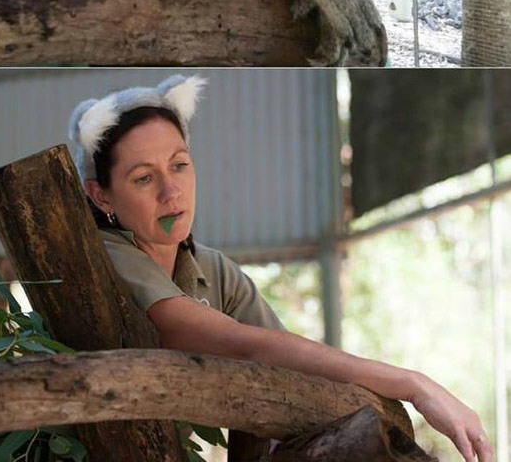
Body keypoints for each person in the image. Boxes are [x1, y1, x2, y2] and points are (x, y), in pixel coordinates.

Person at [69, 75, 492, 462]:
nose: (171, 190)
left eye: (179, 164)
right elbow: (249, 345)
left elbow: (291, 368)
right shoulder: (106, 257)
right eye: (143, 178)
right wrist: (414, 385)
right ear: (101, 197)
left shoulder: (213, 269)